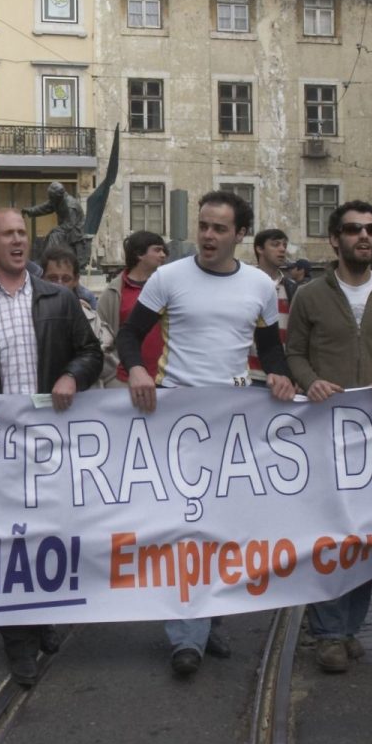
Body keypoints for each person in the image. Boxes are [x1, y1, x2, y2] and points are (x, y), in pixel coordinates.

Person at [114, 191, 294, 678]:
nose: (208, 236)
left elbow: (270, 352)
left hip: (233, 424)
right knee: (185, 528)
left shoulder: (259, 286)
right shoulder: (169, 277)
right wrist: (135, 369)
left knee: (223, 530)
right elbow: (128, 336)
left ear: (240, 235)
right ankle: (186, 637)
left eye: (219, 228)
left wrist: (280, 376)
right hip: (176, 418)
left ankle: (208, 617)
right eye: (203, 226)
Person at [0, 211, 102, 685]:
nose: (17, 241)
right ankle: (17, 642)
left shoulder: (60, 300)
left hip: (50, 444)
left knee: (47, 534)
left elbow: (91, 353)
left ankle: (40, 619)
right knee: (6, 540)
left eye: (22, 234)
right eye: (8, 235)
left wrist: (70, 375)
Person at [285, 200, 372, 674]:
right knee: (328, 533)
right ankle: (328, 632)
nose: (363, 236)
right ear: (334, 239)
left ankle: (349, 627)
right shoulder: (309, 296)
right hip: (326, 432)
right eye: (352, 229)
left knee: (367, 536)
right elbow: (295, 354)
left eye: (370, 229)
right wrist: (310, 382)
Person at [40, 245, 121, 388]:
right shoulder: (28, 317)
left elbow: (106, 366)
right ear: (42, 278)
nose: (59, 285)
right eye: (52, 278)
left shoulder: (92, 319)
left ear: (76, 280)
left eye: (66, 279)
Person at [95, 230, 168, 383]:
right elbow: (99, 338)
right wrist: (112, 376)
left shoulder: (168, 288)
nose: (163, 255)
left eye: (163, 250)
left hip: (166, 380)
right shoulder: (113, 293)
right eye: (157, 250)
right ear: (140, 254)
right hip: (125, 382)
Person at [254, 228, 297, 301]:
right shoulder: (245, 283)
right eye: (275, 244)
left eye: (285, 245)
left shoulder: (292, 286)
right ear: (260, 249)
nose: (282, 249)